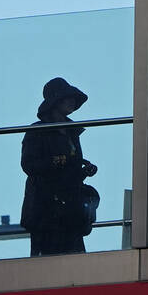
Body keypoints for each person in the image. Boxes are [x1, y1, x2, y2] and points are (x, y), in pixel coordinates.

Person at [21, 77, 98, 256]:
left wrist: (83, 171)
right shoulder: (37, 130)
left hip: (71, 209)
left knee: (76, 263)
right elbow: (28, 164)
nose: (72, 102)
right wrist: (59, 160)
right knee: (46, 265)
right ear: (55, 102)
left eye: (72, 98)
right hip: (45, 210)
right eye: (67, 98)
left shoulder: (72, 132)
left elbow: (70, 171)